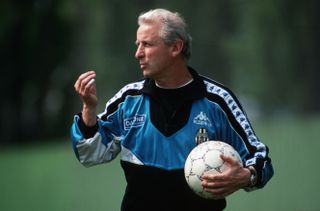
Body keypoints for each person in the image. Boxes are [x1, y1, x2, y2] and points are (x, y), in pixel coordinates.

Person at [71, 8, 274, 211]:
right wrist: (89, 108)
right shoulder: (128, 100)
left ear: (176, 47)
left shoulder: (217, 101)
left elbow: (261, 159)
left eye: (147, 44)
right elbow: (90, 154)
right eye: (138, 45)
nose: (138, 53)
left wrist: (247, 176)